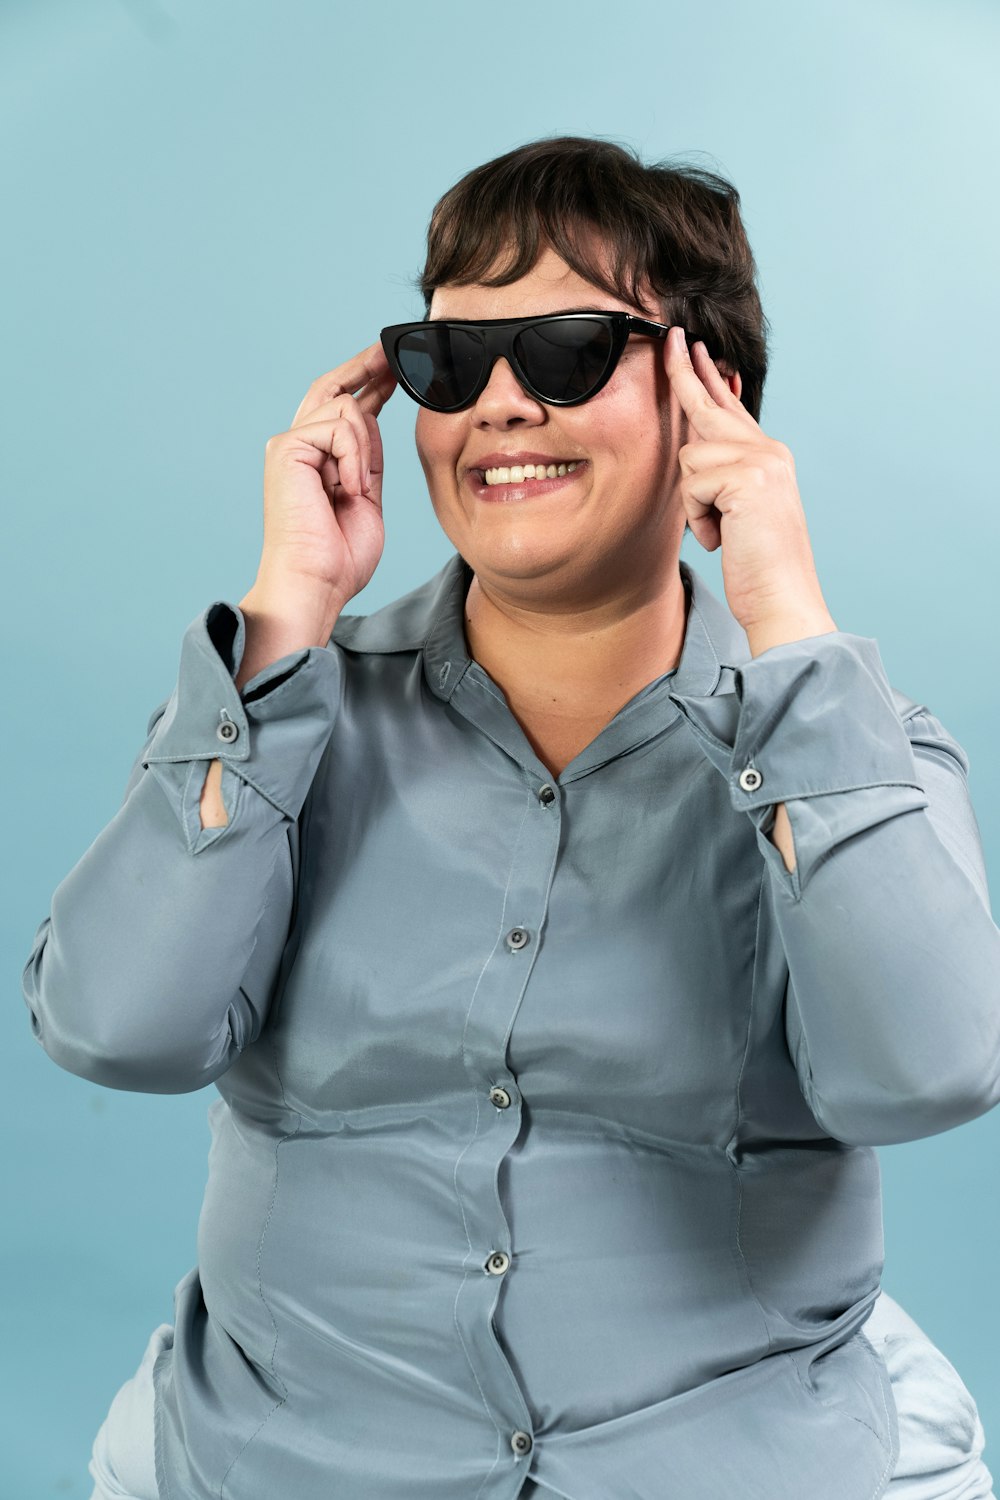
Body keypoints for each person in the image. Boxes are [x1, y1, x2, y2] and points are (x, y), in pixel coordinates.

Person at [22, 135, 998, 1500]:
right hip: (285, 1461)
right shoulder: (279, 720)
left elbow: (930, 1070)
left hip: (737, 1461)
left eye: (564, 352)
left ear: (710, 398)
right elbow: (114, 1029)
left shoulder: (852, 748)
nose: (498, 405)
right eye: (449, 360)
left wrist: (784, 620)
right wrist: (287, 616)